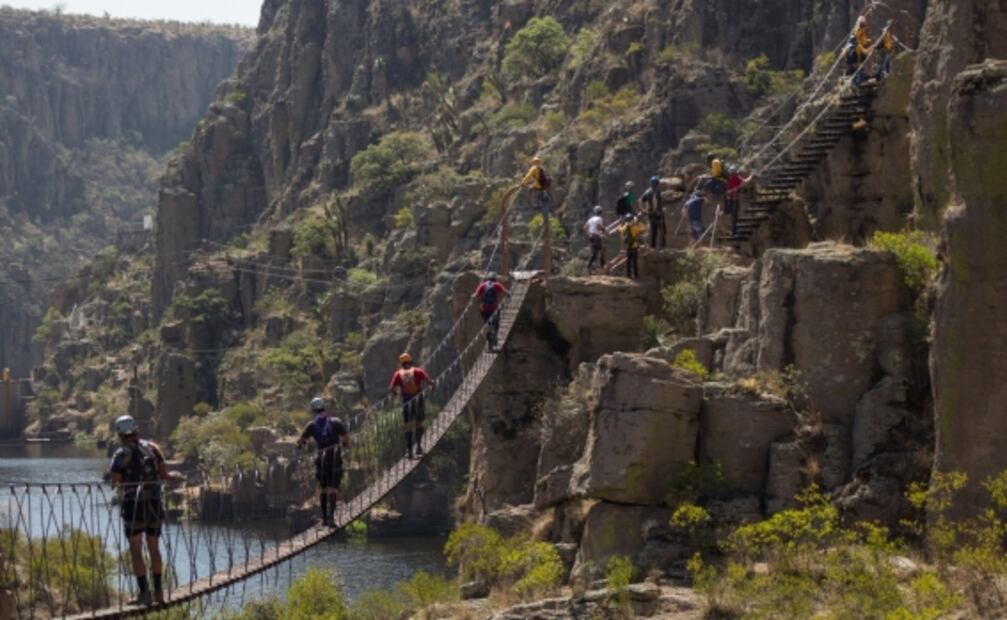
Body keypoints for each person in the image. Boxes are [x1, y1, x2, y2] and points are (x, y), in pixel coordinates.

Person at [108, 415, 181, 606]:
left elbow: (115, 481)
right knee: (154, 548)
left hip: (133, 507)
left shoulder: (121, 454)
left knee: (136, 550)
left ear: (120, 434)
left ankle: (144, 594)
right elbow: (164, 475)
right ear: (136, 430)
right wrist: (175, 477)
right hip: (155, 504)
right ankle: (159, 592)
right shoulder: (153, 448)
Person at [297, 397, 350, 527]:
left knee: (324, 489)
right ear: (324, 408)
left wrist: (300, 446)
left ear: (313, 410)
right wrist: (344, 444)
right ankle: (332, 518)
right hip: (335, 458)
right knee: (334, 489)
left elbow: (300, 441)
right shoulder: (335, 421)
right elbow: (346, 438)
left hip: (321, 459)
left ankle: (325, 519)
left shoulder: (312, 425)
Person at [389, 353, 437, 459]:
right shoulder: (418, 371)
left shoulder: (398, 374)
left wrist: (396, 395)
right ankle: (419, 447)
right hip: (418, 399)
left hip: (406, 401)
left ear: (402, 363)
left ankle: (409, 451)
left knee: (408, 426)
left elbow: (391, 388)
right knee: (418, 424)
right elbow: (430, 382)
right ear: (410, 361)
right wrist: (433, 386)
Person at [474, 272, 509, 352]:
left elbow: (475, 295)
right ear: (495, 278)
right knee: (496, 323)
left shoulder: (483, 285)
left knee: (487, 326)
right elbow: (506, 293)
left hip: (484, 309)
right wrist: (509, 295)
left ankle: (489, 345)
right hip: (494, 309)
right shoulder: (497, 284)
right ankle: (495, 335)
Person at [640, 176, 666, 249]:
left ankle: (653, 246)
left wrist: (643, 210)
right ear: (657, 184)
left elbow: (640, 200)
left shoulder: (647, 192)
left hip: (650, 213)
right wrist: (656, 210)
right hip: (657, 213)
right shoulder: (656, 191)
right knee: (662, 229)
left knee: (653, 230)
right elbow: (655, 200)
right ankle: (662, 246)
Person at [618, 214, 646, 279]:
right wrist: (638, 222)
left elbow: (620, 230)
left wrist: (620, 225)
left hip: (628, 247)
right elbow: (643, 228)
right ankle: (636, 275)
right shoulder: (635, 227)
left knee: (628, 261)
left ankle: (628, 275)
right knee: (634, 261)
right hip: (634, 246)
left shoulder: (625, 227)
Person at [584, 206, 607, 273]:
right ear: (600, 212)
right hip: (596, 237)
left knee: (597, 252)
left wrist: (588, 234)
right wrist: (604, 230)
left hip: (591, 237)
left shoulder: (591, 219)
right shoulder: (599, 218)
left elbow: (585, 227)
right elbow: (598, 226)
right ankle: (601, 266)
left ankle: (592, 267)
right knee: (600, 252)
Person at [725, 167, 745, 237]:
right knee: (731, 215)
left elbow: (743, 182)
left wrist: (736, 188)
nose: (731, 173)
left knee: (734, 216)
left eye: (732, 172)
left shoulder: (737, 178)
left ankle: (734, 232)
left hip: (735, 199)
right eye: (730, 172)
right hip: (729, 198)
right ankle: (732, 231)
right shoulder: (728, 178)